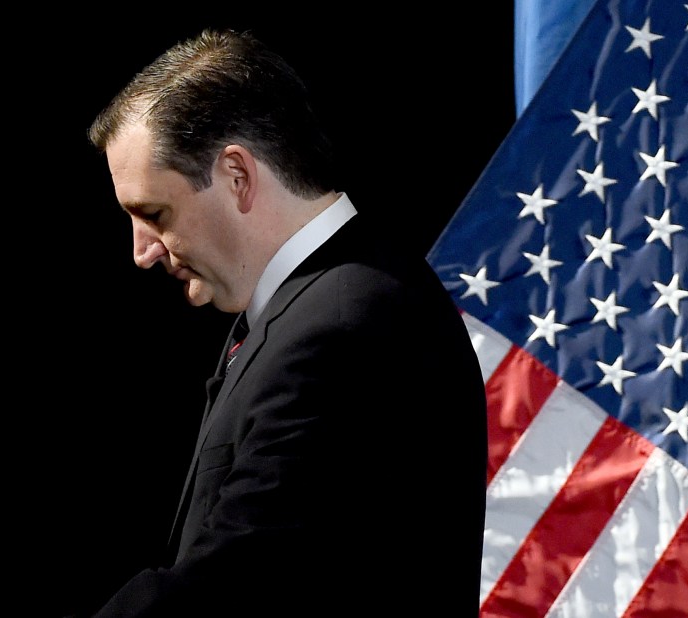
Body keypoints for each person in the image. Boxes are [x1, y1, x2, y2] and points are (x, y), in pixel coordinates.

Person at [82, 28, 487, 617]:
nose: (143, 251)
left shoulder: (345, 329)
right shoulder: (319, 303)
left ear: (237, 175)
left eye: (155, 213)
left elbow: (235, 585)